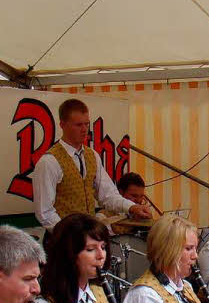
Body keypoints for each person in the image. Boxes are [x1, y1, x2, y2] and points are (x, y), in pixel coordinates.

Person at [32, 98, 152, 229]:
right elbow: (45, 212)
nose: (84, 130)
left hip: (87, 236)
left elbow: (108, 195)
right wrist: (66, 234)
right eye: (78, 125)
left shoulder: (92, 156)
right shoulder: (49, 162)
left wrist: (132, 207)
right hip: (63, 240)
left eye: (87, 124)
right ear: (62, 125)